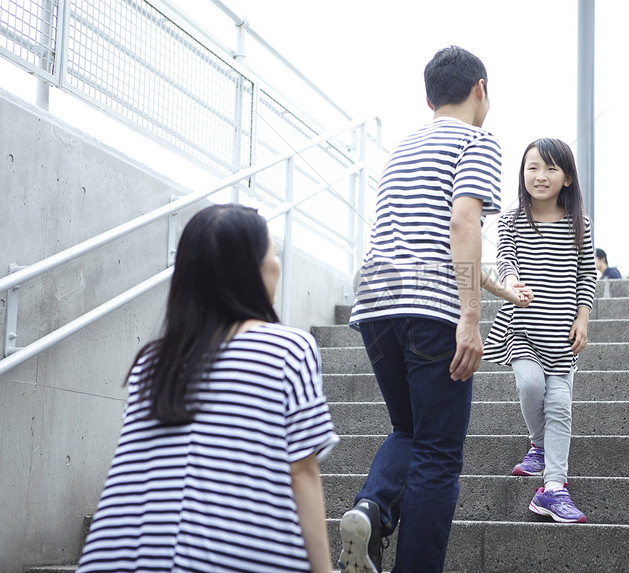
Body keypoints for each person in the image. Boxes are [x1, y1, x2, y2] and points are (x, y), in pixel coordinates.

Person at [339, 45, 529, 573]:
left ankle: (372, 512)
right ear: (481, 88)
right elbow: (464, 225)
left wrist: (498, 292)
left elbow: (428, 237)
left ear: (428, 97)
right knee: (439, 455)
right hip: (431, 313)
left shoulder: (403, 149)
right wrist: (470, 317)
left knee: (409, 431)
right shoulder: (478, 140)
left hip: (376, 306)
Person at [76, 204, 339, 573]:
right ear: (253, 270)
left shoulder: (152, 363)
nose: (278, 265)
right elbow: (301, 473)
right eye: (274, 253)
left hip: (120, 554)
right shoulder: (288, 350)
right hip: (233, 556)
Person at [483, 138, 598, 524]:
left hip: (562, 334)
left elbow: (585, 276)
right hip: (522, 329)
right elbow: (505, 259)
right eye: (532, 167)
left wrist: (582, 320)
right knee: (531, 386)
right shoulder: (511, 220)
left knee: (561, 405)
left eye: (550, 168)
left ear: (567, 177)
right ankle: (538, 444)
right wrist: (512, 283)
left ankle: (553, 490)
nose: (540, 175)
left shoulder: (579, 223)